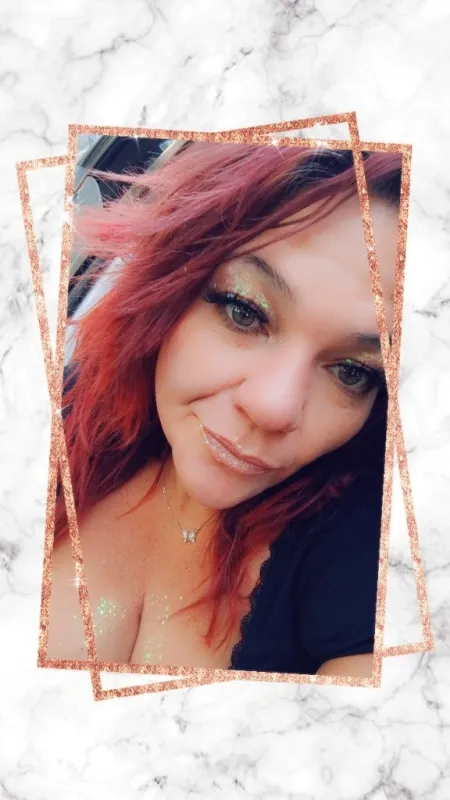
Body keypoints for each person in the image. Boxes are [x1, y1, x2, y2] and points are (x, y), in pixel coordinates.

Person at [47, 141, 401, 677]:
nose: (273, 407)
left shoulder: (363, 541)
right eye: (243, 311)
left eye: (353, 371)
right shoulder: (64, 409)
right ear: (170, 287)